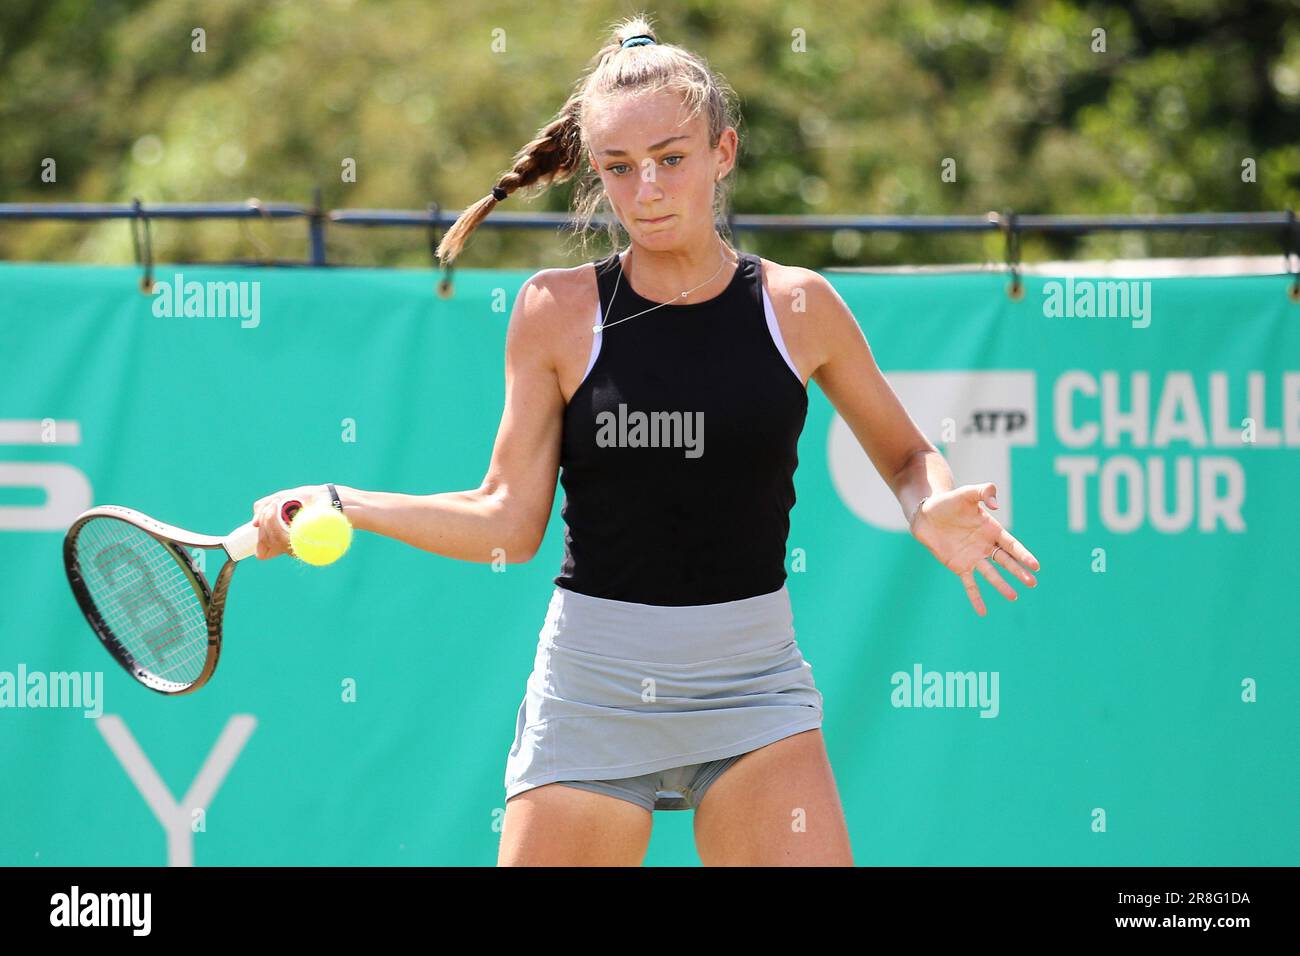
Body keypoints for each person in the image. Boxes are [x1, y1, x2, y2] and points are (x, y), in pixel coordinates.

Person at [251, 14, 1041, 867]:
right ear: (595, 173)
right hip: (592, 689)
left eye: (672, 159)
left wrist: (928, 505)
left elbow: (903, 455)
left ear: (723, 153)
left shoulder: (799, 305)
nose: (649, 190)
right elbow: (507, 522)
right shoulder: (554, 313)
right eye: (620, 169)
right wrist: (347, 503)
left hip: (755, 686)